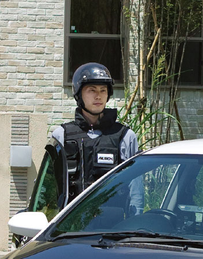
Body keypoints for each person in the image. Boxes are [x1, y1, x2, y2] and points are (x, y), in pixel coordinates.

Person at [52, 62, 143, 213]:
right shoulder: (62, 135)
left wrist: (136, 218)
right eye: (92, 90)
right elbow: (50, 190)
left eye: (103, 90)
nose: (98, 96)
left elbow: (136, 189)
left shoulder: (126, 136)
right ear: (79, 94)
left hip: (114, 222)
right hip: (70, 222)